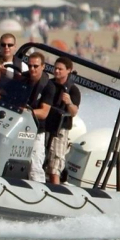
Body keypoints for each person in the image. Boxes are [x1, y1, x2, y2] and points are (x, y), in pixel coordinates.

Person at [39, 57, 81, 185]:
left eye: (60, 69)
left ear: (68, 70)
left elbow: (73, 112)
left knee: (54, 165)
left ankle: (56, 189)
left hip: (60, 129)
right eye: (55, 68)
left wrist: (68, 102)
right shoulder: (48, 84)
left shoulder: (73, 90)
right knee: (40, 161)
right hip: (44, 126)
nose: (56, 71)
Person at [23, 52, 50, 182]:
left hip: (37, 130)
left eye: (35, 66)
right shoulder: (23, 78)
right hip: (19, 126)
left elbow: (44, 112)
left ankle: (39, 189)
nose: (32, 69)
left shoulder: (48, 86)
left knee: (35, 166)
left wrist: (26, 110)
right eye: (30, 66)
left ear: (43, 66)